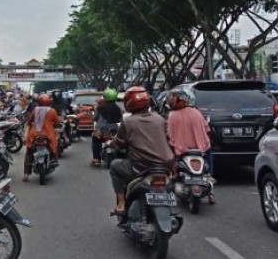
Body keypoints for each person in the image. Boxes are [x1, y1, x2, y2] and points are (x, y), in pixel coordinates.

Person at [108, 86, 175, 216]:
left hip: (141, 166)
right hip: (165, 165)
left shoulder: (128, 122)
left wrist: (110, 144)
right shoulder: (159, 118)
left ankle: (121, 204)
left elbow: (118, 143)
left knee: (114, 166)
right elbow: (168, 138)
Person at [166, 88, 215, 204]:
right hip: (201, 148)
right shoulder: (197, 112)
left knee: (169, 163)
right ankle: (211, 190)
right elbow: (207, 129)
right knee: (208, 168)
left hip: (181, 151)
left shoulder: (172, 115)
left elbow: (168, 135)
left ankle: (172, 177)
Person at [22, 93, 60, 182]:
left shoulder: (35, 109)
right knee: (54, 146)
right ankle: (54, 160)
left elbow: (29, 121)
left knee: (29, 152)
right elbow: (58, 123)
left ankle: (26, 174)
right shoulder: (52, 111)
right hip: (48, 135)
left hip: (34, 135)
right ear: (49, 102)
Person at [91, 88, 123, 167]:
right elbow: (120, 119)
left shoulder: (100, 107)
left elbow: (95, 118)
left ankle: (96, 159)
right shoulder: (118, 108)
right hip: (114, 130)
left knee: (95, 140)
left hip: (101, 130)